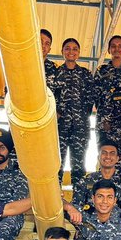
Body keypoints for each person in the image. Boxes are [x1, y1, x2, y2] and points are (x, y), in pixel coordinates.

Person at [48, 38, 92, 189]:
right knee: (56, 164)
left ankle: (79, 202)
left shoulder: (85, 74)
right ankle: (55, 202)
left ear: (79, 53)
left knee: (78, 165)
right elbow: (50, 97)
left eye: (74, 49)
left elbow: (90, 98)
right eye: (67, 48)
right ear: (62, 52)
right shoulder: (56, 74)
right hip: (60, 127)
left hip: (80, 128)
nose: (71, 51)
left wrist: (82, 115)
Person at [71, 138, 121, 216]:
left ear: (117, 159)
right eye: (104, 153)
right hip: (88, 223)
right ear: (98, 157)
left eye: (112, 153)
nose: (108, 156)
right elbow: (76, 206)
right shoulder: (86, 181)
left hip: (116, 225)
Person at [90, 34, 121, 146]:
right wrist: (105, 115)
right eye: (113, 46)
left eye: (120, 46)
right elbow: (95, 95)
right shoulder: (102, 71)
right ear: (109, 50)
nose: (117, 49)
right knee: (105, 154)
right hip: (104, 122)